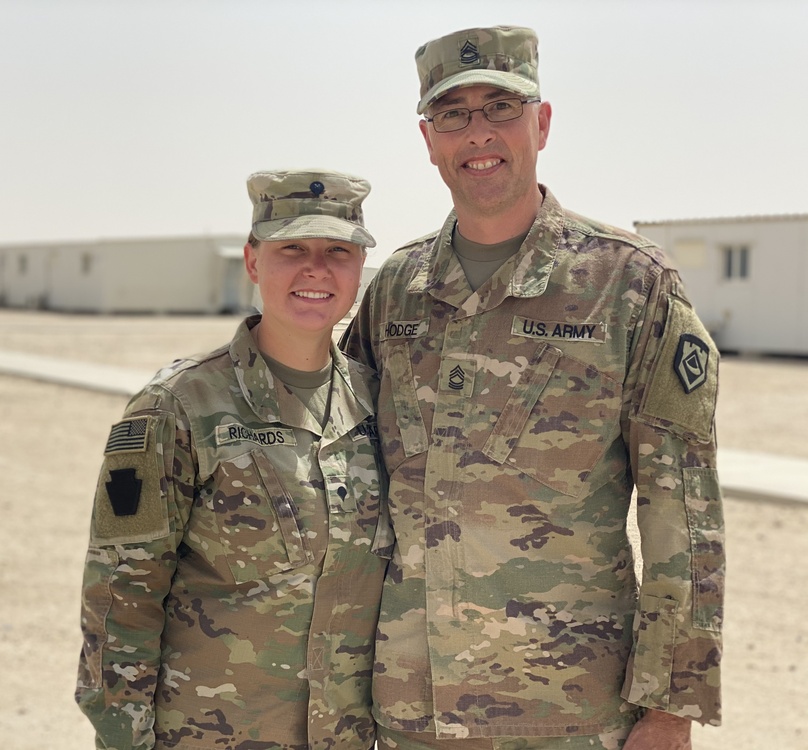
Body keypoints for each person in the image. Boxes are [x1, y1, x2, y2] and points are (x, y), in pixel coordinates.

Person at [340, 26, 723, 750]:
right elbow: (350, 491)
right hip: (408, 710)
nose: (478, 132)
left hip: (566, 714)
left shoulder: (629, 284)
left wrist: (671, 708)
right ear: (428, 138)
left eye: (501, 107)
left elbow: (684, 510)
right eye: (453, 113)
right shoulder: (395, 289)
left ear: (541, 123)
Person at [75, 168, 393, 749]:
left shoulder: (380, 404)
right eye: (292, 247)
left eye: (338, 252)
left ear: (358, 271)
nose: (316, 269)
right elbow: (121, 594)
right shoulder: (177, 406)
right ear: (252, 261)